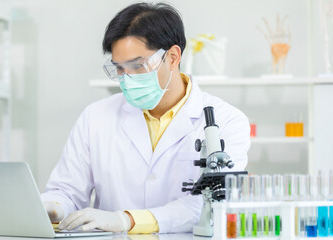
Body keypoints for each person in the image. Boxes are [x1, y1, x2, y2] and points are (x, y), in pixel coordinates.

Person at [41, 2, 250, 234]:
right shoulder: (95, 117)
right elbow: (67, 190)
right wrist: (54, 206)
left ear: (172, 57)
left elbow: (210, 204)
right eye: (119, 69)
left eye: (138, 66)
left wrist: (127, 220)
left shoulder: (227, 121)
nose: (127, 78)